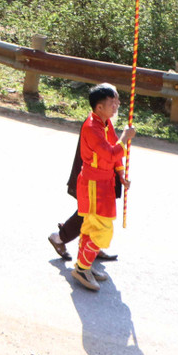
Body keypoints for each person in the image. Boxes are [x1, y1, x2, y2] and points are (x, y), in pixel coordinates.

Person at [69, 84, 134, 292]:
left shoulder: (105, 124)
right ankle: (82, 268)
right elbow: (110, 153)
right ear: (99, 107)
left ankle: (84, 265)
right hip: (94, 184)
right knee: (102, 229)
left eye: (117, 101)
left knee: (91, 227)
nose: (117, 105)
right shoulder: (91, 127)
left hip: (104, 183)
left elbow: (115, 154)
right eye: (112, 102)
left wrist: (121, 175)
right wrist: (126, 138)